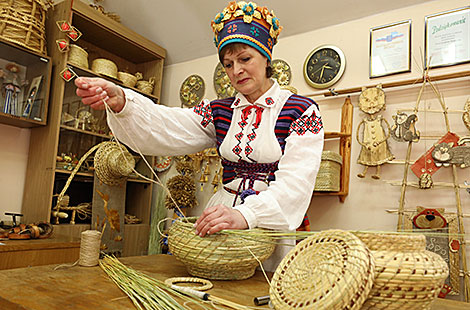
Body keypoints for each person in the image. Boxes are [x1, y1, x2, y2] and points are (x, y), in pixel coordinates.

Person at [74, 1, 324, 271]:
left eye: (245, 59)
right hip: (222, 218)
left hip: (270, 222)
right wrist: (122, 101)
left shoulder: (300, 110)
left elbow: (296, 184)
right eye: (227, 64)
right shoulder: (220, 111)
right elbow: (169, 125)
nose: (236, 70)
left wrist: (245, 214)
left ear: (266, 57)